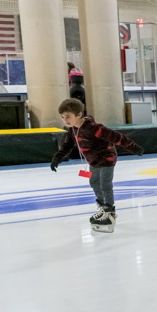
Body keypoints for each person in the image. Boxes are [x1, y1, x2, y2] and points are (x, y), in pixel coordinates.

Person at [50, 98, 143, 233]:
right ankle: (103, 207)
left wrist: (134, 148)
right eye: (63, 117)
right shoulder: (73, 130)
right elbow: (67, 145)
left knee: (104, 184)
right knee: (94, 182)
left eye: (68, 116)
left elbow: (116, 137)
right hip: (93, 160)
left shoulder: (93, 128)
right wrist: (57, 158)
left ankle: (109, 211)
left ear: (79, 114)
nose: (65, 120)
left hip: (106, 158)